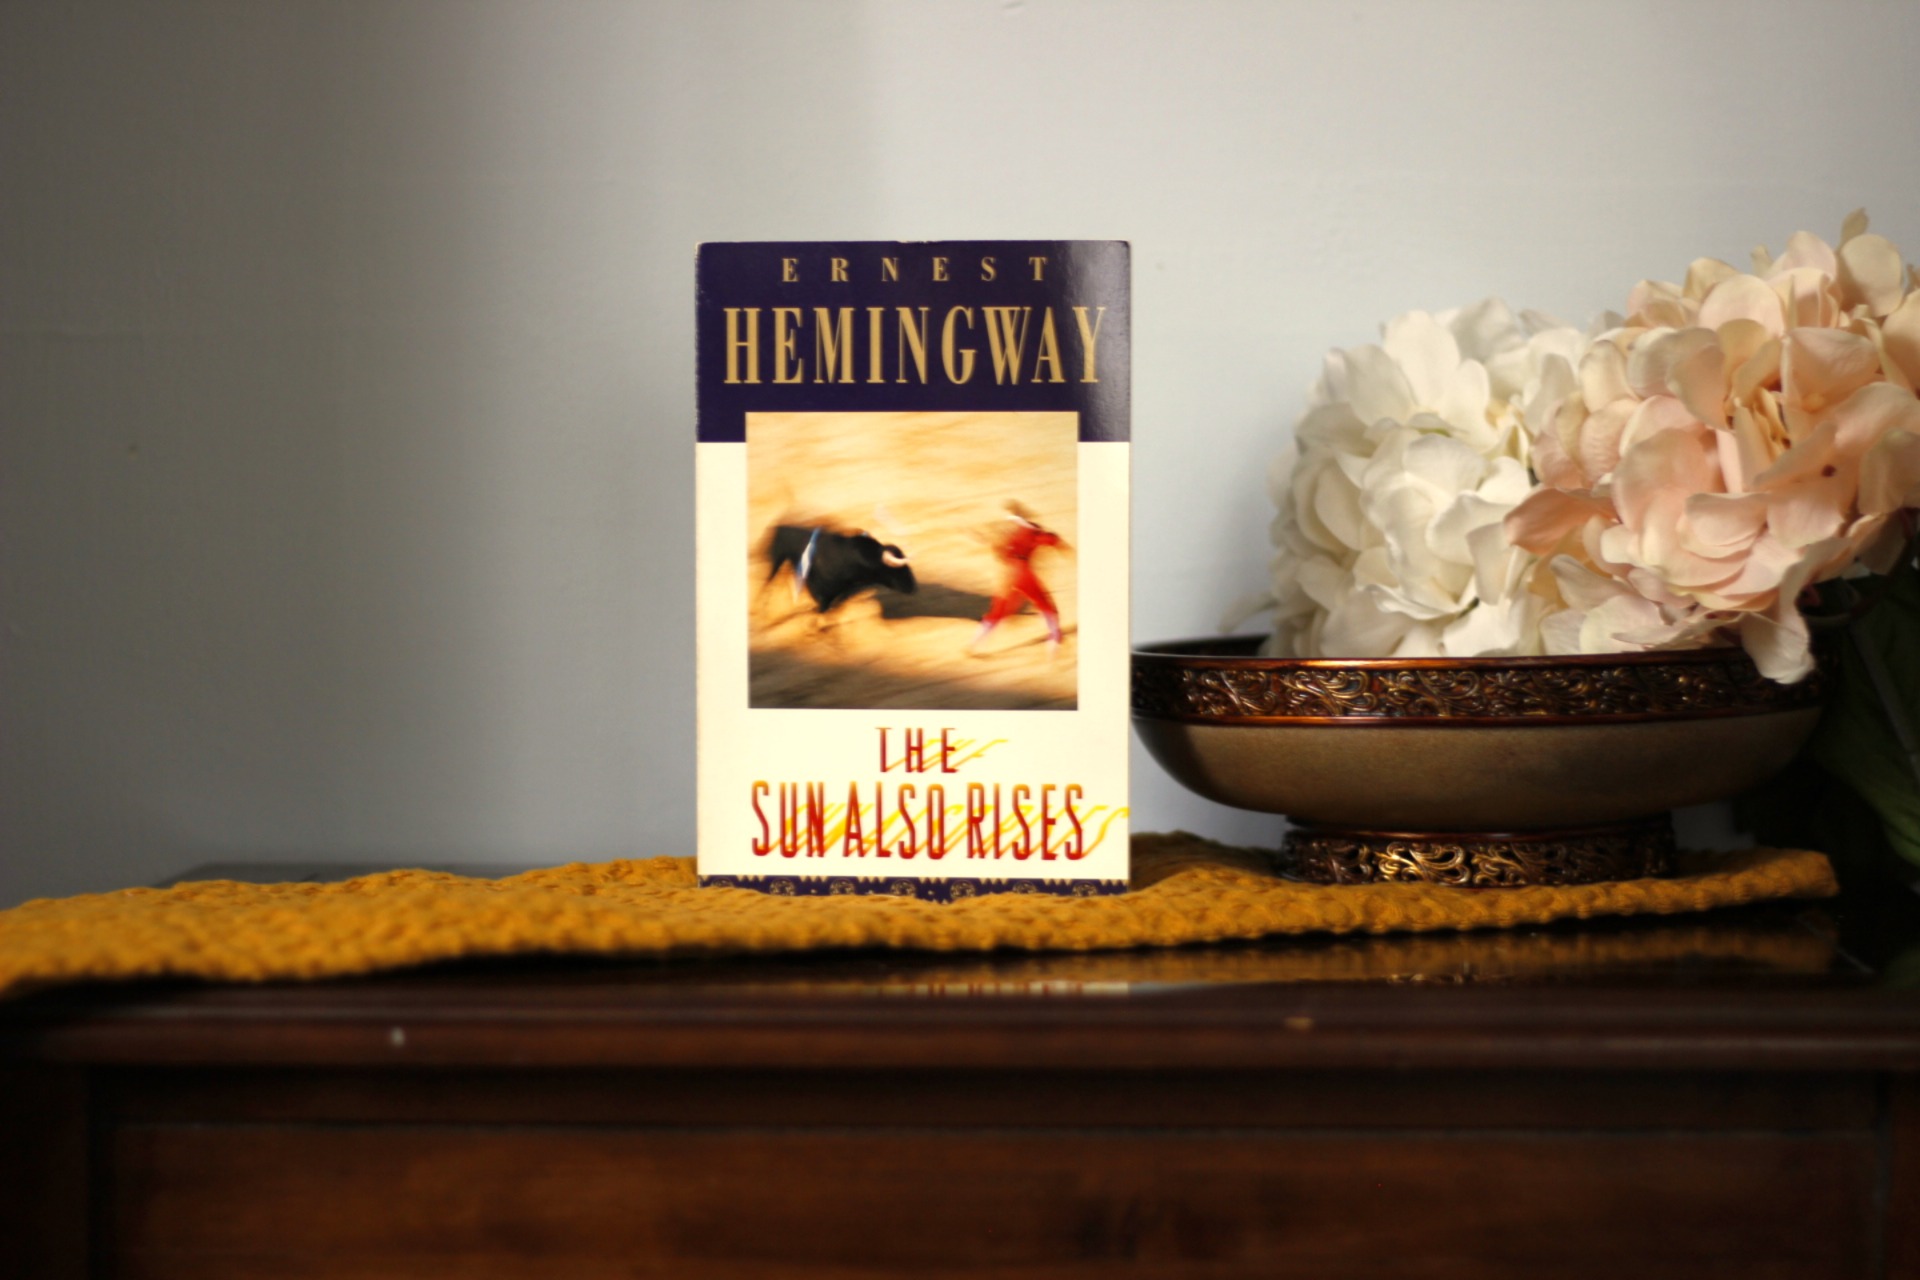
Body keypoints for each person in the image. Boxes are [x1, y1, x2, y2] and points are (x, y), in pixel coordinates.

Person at [968, 501, 1069, 654]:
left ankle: (974, 645)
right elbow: (1052, 539)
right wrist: (1066, 551)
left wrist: (985, 540)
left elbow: (1002, 555)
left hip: (1008, 575)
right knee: (1046, 607)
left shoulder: (1009, 533)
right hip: (1023, 573)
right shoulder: (1033, 531)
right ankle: (1055, 643)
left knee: (998, 611)